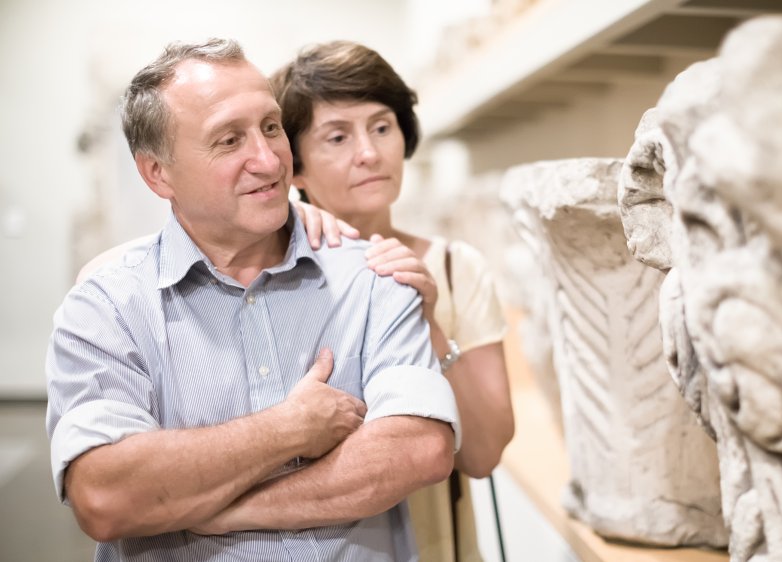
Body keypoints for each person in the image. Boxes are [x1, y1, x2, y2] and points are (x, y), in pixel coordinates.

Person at [45, 38, 460, 561]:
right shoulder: (107, 305)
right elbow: (105, 496)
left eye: (270, 128)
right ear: (157, 173)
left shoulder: (375, 276)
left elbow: (418, 450)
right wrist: (288, 429)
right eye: (228, 140)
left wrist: (216, 509)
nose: (267, 160)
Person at [271, 40, 515, 562]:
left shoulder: (456, 267)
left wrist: (427, 319)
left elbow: (485, 453)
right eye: (337, 136)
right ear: (295, 169)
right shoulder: (272, 270)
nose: (369, 152)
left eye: (382, 127)